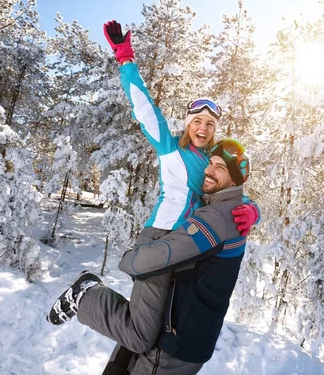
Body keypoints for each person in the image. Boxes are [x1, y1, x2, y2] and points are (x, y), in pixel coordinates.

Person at [47, 20, 259, 372]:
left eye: (210, 124)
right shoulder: (169, 149)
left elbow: (230, 189)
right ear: (187, 124)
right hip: (161, 241)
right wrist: (126, 60)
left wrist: (252, 210)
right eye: (197, 121)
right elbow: (144, 107)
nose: (203, 129)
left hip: (187, 251)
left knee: (153, 335)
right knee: (142, 334)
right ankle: (85, 294)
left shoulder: (213, 161)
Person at [50, 138, 254, 375]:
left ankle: (87, 295)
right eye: (211, 163)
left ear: (236, 179)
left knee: (128, 351)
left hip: (177, 336)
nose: (209, 171)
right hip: (170, 335)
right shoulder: (224, 210)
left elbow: (164, 254)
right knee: (129, 349)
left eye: (220, 168)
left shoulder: (218, 217)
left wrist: (129, 261)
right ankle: (87, 296)